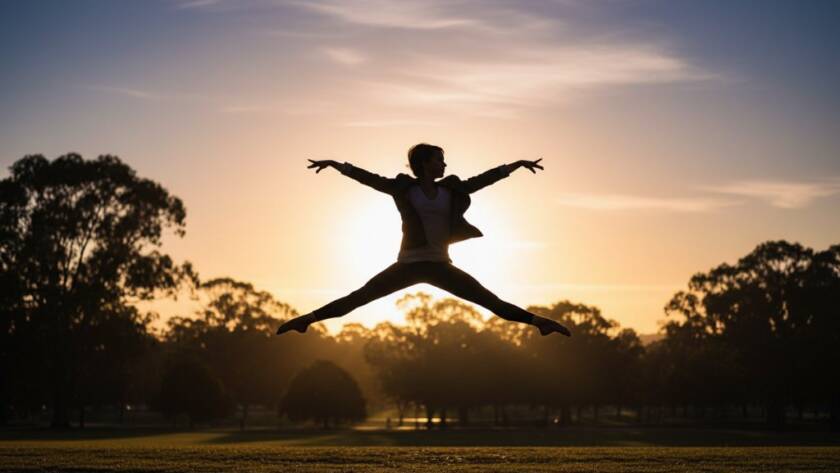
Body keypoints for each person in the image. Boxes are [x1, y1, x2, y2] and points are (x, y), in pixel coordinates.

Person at [276, 143, 571, 337]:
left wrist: (514, 166)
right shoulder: (404, 189)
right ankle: (307, 320)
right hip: (408, 265)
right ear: (425, 163)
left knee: (489, 301)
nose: (444, 164)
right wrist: (339, 166)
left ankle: (539, 323)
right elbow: (370, 179)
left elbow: (482, 180)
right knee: (359, 298)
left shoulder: (451, 190)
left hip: (440, 265)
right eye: (439, 159)